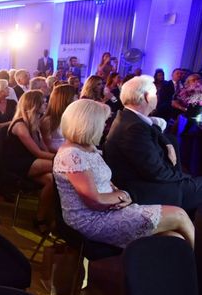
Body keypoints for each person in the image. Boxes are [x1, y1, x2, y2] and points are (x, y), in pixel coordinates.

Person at [54, 99, 194, 248]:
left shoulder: (88, 147)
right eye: (102, 122)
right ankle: (196, 261)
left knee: (176, 238)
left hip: (109, 208)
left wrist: (122, 195)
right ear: (89, 125)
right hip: (92, 219)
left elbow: (103, 182)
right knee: (179, 215)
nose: (105, 126)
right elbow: (95, 201)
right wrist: (124, 195)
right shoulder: (71, 155)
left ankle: (184, 261)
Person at [104, 75, 202, 213]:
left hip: (147, 182)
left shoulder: (128, 117)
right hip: (145, 189)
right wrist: (186, 177)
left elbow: (155, 130)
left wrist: (167, 144)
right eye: (155, 93)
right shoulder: (134, 127)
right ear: (146, 97)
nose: (157, 97)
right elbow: (157, 173)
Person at [4, 90, 55, 231]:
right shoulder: (20, 125)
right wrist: (62, 158)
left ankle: (40, 217)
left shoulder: (34, 122)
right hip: (18, 164)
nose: (46, 104)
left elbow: (43, 148)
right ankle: (64, 216)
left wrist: (58, 156)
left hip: (32, 161)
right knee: (61, 167)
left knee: (52, 180)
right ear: (33, 105)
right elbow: (36, 152)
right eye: (43, 102)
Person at [40, 84, 77, 152]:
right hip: (60, 154)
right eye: (74, 96)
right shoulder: (48, 121)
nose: (77, 99)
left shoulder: (72, 117)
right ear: (66, 99)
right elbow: (46, 147)